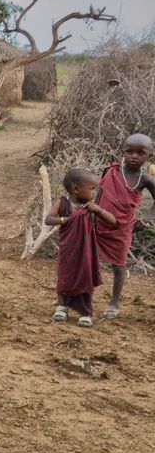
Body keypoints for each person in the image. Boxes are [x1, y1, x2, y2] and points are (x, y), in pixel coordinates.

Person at [94, 134, 155, 318]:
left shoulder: (145, 179)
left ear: (149, 156)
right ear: (123, 152)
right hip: (98, 223)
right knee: (87, 259)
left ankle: (114, 302)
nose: (134, 156)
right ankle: (75, 294)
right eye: (129, 152)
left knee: (118, 265)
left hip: (122, 228)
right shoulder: (111, 171)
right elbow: (100, 194)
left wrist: (147, 219)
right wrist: (91, 214)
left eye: (140, 153)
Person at [46, 169, 116, 327]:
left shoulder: (90, 207)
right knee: (64, 277)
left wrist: (98, 210)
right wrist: (66, 219)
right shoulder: (63, 203)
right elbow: (49, 219)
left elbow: (112, 221)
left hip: (86, 252)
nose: (94, 192)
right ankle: (62, 306)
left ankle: (85, 312)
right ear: (76, 189)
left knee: (85, 278)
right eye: (92, 189)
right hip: (67, 250)